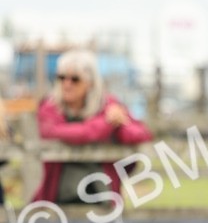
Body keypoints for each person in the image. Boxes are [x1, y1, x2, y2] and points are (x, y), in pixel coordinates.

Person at [32, 50, 152, 205]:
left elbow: (140, 134)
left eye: (75, 79)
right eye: (62, 77)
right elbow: (57, 132)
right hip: (59, 198)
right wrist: (106, 124)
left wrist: (119, 123)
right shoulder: (49, 107)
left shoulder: (107, 104)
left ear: (90, 82)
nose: (67, 84)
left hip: (101, 195)